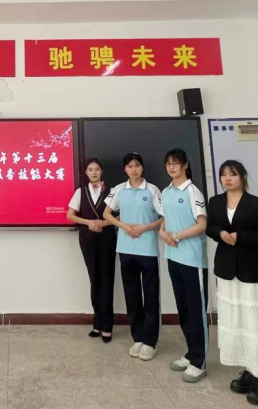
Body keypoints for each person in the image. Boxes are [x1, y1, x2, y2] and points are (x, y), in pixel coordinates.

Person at [206, 160, 258, 406]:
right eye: (223, 175)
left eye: (232, 174)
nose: (227, 179)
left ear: (242, 176)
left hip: (252, 269)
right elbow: (210, 227)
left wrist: (239, 236)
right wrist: (220, 234)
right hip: (226, 268)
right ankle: (248, 369)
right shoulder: (215, 202)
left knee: (255, 321)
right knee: (237, 320)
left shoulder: (257, 203)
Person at [103, 152, 163, 361]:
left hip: (147, 249)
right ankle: (137, 337)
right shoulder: (119, 189)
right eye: (130, 166)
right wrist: (123, 226)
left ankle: (150, 341)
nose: (134, 169)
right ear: (125, 169)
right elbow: (106, 214)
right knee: (132, 294)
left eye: (137, 165)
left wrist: (146, 227)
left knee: (151, 295)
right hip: (126, 249)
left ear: (142, 168)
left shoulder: (152, 189)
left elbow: (164, 216)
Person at [159, 148, 209, 383]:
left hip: (192, 259)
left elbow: (202, 225)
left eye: (176, 163)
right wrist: (163, 233)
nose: (171, 167)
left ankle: (200, 361)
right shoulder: (166, 191)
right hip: (173, 256)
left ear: (185, 165)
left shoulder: (192, 191)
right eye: (168, 163)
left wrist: (177, 236)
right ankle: (191, 354)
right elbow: (164, 221)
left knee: (196, 310)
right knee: (184, 309)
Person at [66, 158, 116, 342]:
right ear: (86, 172)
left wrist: (103, 223)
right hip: (87, 239)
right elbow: (70, 215)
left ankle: (107, 326)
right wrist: (89, 223)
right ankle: (97, 323)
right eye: (90, 169)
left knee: (107, 279)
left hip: (107, 238)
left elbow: (121, 216)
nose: (94, 172)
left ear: (101, 171)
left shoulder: (112, 191)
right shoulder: (81, 191)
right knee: (94, 279)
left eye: (97, 169)